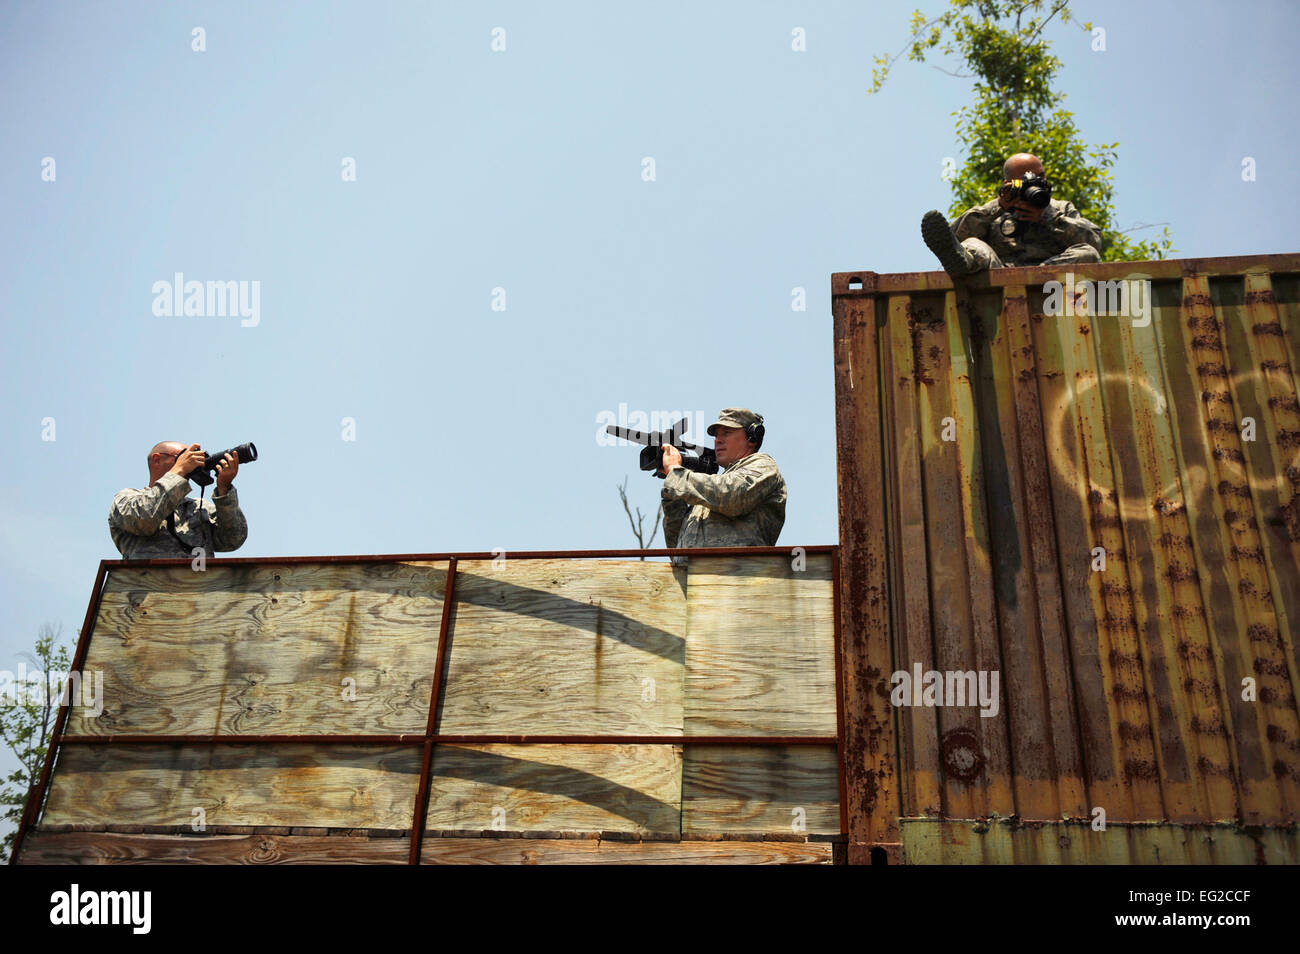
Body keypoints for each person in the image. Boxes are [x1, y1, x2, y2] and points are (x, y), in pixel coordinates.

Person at [921, 152, 1102, 280]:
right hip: (1000, 276)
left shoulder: (1060, 207)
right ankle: (965, 267)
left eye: (1040, 177)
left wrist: (1048, 217)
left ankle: (1030, 278)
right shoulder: (996, 211)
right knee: (971, 245)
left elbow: (1094, 242)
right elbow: (954, 238)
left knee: (1088, 253)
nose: (1037, 184)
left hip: (1049, 276)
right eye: (1026, 181)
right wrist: (998, 206)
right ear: (1009, 184)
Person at [659, 408, 786, 548]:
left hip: (739, 569)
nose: (718, 440)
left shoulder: (763, 466)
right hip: (696, 570)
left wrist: (679, 475)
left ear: (752, 437)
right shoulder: (707, 497)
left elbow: (732, 495)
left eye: (727, 433)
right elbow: (676, 545)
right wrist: (673, 490)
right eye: (716, 436)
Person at [109, 441, 248, 560]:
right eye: (183, 456)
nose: (191, 462)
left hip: (198, 587)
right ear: (157, 460)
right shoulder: (126, 499)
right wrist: (179, 469)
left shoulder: (198, 508)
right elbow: (146, 518)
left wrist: (224, 489)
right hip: (147, 587)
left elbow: (233, 539)